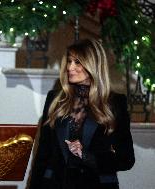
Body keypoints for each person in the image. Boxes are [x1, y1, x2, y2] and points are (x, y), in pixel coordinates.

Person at [28, 39, 135, 189]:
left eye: (77, 62)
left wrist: (86, 155)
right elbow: (42, 155)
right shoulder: (55, 98)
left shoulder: (115, 103)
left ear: (93, 65)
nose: (70, 67)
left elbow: (126, 159)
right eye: (69, 61)